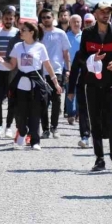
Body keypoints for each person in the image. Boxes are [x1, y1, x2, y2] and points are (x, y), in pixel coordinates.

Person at [78, 2, 112, 171]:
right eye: (102, 11)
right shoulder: (87, 33)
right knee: (95, 120)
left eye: (108, 12)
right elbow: (81, 57)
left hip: (111, 82)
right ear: (95, 14)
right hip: (92, 83)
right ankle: (99, 158)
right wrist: (93, 60)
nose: (105, 14)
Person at [0, 21, 62, 151]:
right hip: (21, 83)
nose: (21, 32)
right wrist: (2, 62)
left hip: (36, 82)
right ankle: (22, 131)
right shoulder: (18, 46)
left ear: (31, 32)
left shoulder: (40, 47)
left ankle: (35, 141)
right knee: (20, 112)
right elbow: (12, 66)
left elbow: (48, 66)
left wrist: (56, 83)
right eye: (21, 29)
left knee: (35, 113)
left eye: (24, 30)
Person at [39, 8, 71, 138]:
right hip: (41, 72)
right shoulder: (38, 33)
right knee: (43, 101)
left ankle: (54, 127)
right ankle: (45, 129)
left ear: (53, 18)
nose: (46, 19)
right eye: (43, 18)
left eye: (48, 17)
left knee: (56, 100)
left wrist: (68, 70)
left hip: (57, 71)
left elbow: (65, 53)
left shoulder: (61, 33)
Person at [0, 8, 19, 139]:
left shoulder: (18, 33)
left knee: (12, 100)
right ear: (2, 20)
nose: (8, 21)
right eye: (6, 19)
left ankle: (8, 126)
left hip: (13, 71)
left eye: (10, 19)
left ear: (14, 19)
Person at [68, 49, 90, 148]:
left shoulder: (104, 50)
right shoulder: (80, 52)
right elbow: (74, 71)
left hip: (101, 86)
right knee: (83, 111)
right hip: (83, 84)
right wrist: (71, 90)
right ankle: (85, 136)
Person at [64, 14, 82, 124]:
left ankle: (79, 114)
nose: (76, 24)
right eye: (73, 22)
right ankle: (71, 114)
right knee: (70, 91)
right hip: (69, 68)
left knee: (81, 92)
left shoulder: (85, 36)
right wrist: (66, 68)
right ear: (70, 23)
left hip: (82, 69)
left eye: (78, 22)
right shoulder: (65, 36)